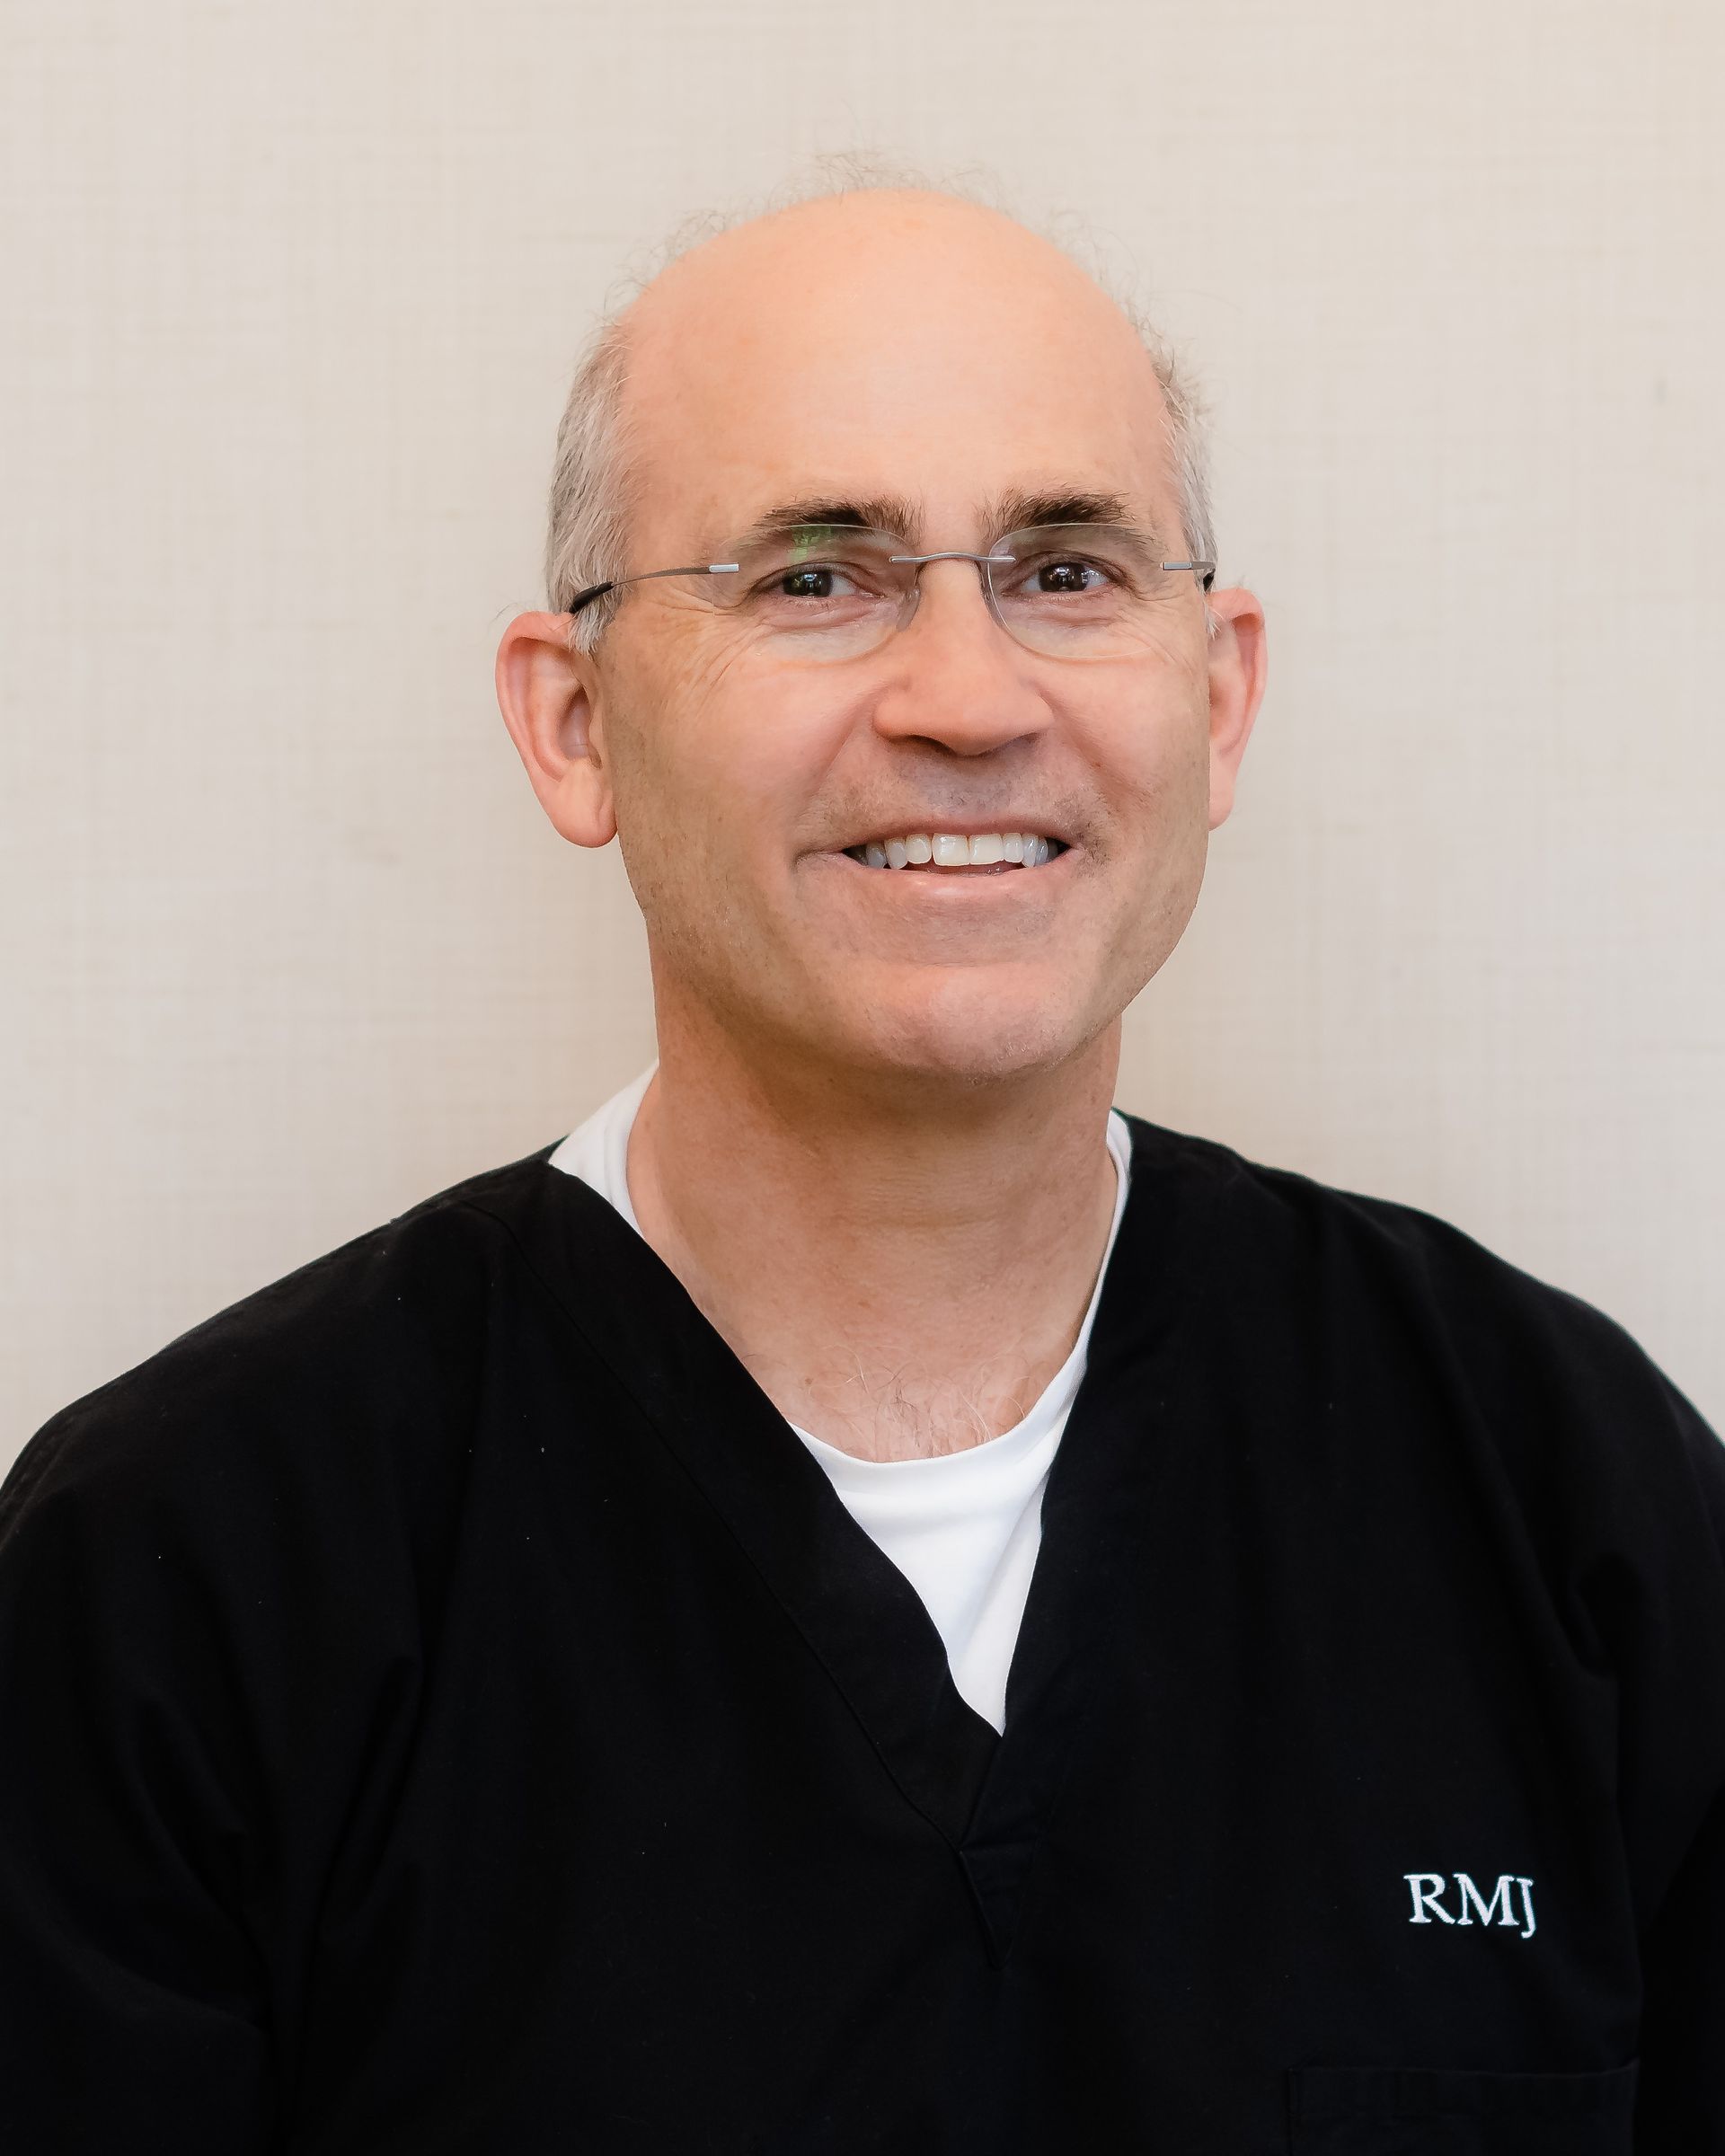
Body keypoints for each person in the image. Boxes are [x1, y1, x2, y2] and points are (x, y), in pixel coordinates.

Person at [2, 171, 1721, 2156]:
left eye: (1068, 568)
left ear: (1221, 696)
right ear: (574, 728)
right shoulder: (197, 1576)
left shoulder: (1558, 1498)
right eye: (815, 575)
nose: (970, 699)